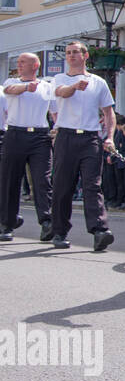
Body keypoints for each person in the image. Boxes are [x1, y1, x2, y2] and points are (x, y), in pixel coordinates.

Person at [49, 41, 117, 251]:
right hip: (66, 136)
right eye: (68, 53)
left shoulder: (98, 82)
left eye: (75, 52)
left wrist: (110, 137)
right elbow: (62, 93)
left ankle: (99, 230)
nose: (71, 56)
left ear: (85, 56)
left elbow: (108, 112)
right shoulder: (59, 79)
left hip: (90, 138)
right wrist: (74, 86)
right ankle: (59, 231)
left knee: (92, 185)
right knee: (63, 185)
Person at [1, 53, 55, 241]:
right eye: (18, 62)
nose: (19, 65)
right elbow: (11, 90)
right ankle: (7, 224)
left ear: (35, 65)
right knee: (10, 180)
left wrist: (58, 129)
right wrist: (25, 87)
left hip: (40, 135)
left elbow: (55, 112)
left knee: (42, 180)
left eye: (23, 62)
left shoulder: (47, 87)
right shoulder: (11, 81)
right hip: (15, 133)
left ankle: (47, 222)